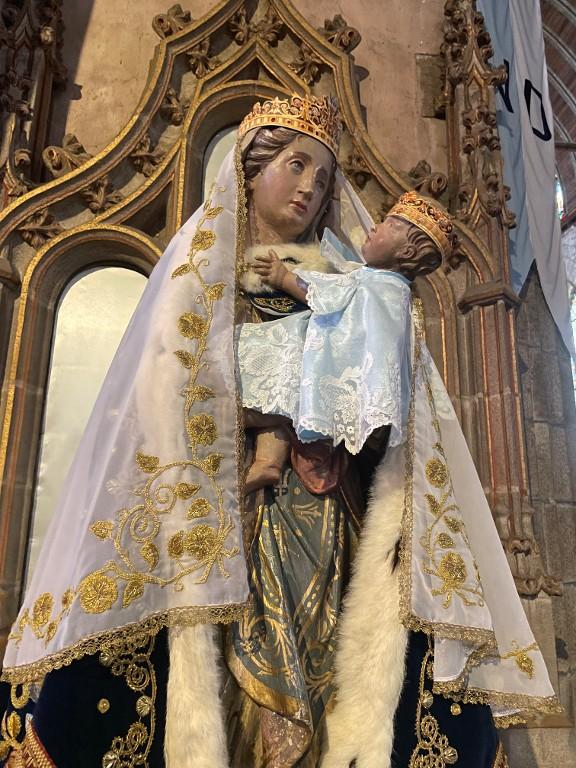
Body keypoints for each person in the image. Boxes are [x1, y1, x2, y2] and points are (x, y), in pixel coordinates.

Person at [0, 95, 559, 768]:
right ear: (251, 169)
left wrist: (348, 415)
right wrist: (261, 414)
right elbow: (162, 395)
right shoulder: (197, 277)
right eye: (295, 166)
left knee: (328, 661)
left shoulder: (349, 285)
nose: (308, 188)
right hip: (226, 507)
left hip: (326, 507)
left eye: (322, 179)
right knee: (224, 671)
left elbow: (389, 412)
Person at [238, 192, 447, 495]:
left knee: (250, 390)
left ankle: (267, 459)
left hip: (317, 368)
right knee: (277, 407)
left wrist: (283, 277)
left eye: (389, 225)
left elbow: (324, 294)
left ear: (407, 250)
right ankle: (267, 462)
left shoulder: (377, 285)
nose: (374, 227)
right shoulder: (394, 294)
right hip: (333, 378)